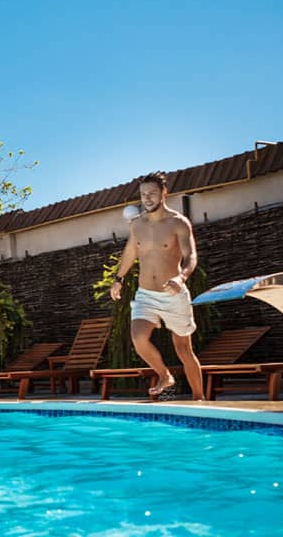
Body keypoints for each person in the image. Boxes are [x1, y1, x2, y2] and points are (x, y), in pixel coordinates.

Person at [109, 171, 205, 400]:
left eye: (152, 193)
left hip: (173, 294)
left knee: (183, 349)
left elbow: (191, 255)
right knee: (138, 337)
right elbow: (130, 252)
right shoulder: (137, 225)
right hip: (146, 294)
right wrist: (118, 279)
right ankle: (165, 375)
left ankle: (200, 398)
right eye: (143, 194)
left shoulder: (178, 222)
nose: (147, 198)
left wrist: (181, 277)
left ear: (164, 193)